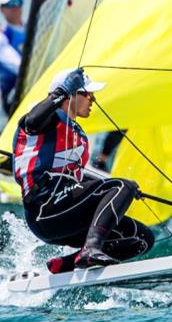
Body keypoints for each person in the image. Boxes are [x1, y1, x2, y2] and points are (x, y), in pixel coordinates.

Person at [13, 68, 154, 272]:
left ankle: (65, 265)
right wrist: (62, 91)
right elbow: (32, 121)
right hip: (45, 209)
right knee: (123, 186)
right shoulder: (47, 118)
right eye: (88, 94)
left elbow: (76, 178)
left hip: (65, 211)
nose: (93, 100)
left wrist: (121, 192)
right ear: (70, 95)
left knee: (141, 238)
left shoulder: (75, 131)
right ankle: (91, 249)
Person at [0, 0, 27, 114]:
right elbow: (20, 67)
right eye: (10, 4)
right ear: (2, 9)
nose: (15, 7)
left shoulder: (32, 28)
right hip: (13, 96)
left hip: (33, 87)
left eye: (18, 3)